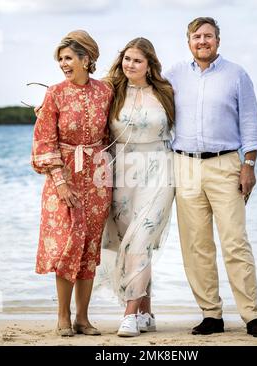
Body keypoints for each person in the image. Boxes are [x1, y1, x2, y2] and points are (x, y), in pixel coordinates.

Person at [165, 17, 257, 338]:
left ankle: (252, 315)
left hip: (226, 165)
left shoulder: (237, 75)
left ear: (218, 41)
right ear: (188, 42)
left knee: (235, 242)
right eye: (197, 36)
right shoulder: (173, 75)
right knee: (196, 245)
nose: (203, 41)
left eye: (208, 36)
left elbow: (250, 121)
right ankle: (211, 314)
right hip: (183, 166)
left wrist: (249, 163)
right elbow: (140, 97)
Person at [31, 30, 113, 337]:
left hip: (97, 181)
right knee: (68, 246)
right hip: (62, 180)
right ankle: (62, 317)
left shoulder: (105, 92)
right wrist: (61, 183)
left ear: (86, 59)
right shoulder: (54, 93)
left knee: (90, 248)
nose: (63, 64)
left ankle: (83, 318)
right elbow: (44, 141)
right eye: (60, 59)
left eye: (68, 58)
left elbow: (111, 135)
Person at [102, 37, 175, 337]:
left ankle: (129, 315)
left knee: (140, 240)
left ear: (149, 65)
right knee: (127, 244)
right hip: (122, 174)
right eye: (127, 59)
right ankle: (147, 311)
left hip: (159, 172)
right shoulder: (111, 90)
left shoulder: (165, 92)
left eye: (137, 60)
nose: (130, 65)